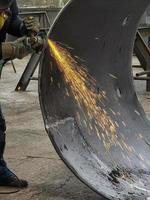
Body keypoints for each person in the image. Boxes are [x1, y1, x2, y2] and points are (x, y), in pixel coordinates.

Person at [0, 0, 40, 188]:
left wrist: (23, 27)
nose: (5, 9)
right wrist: (7, 49)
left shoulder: (7, 4)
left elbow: (12, 19)